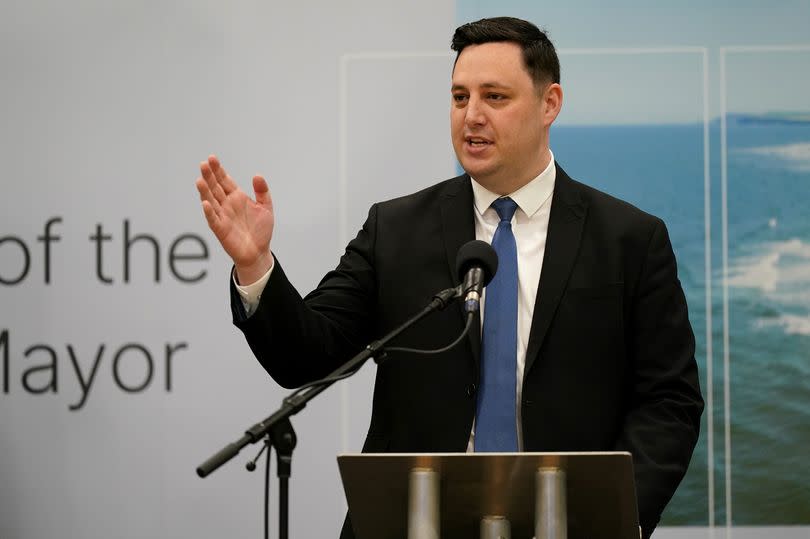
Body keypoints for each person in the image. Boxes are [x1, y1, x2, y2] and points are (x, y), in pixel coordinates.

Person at [195, 16, 703, 539]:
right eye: (460, 97)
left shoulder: (629, 239)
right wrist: (255, 266)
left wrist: (621, 518)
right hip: (414, 523)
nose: (471, 116)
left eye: (495, 97)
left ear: (550, 103)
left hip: (568, 524)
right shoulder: (395, 229)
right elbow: (307, 354)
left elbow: (669, 400)